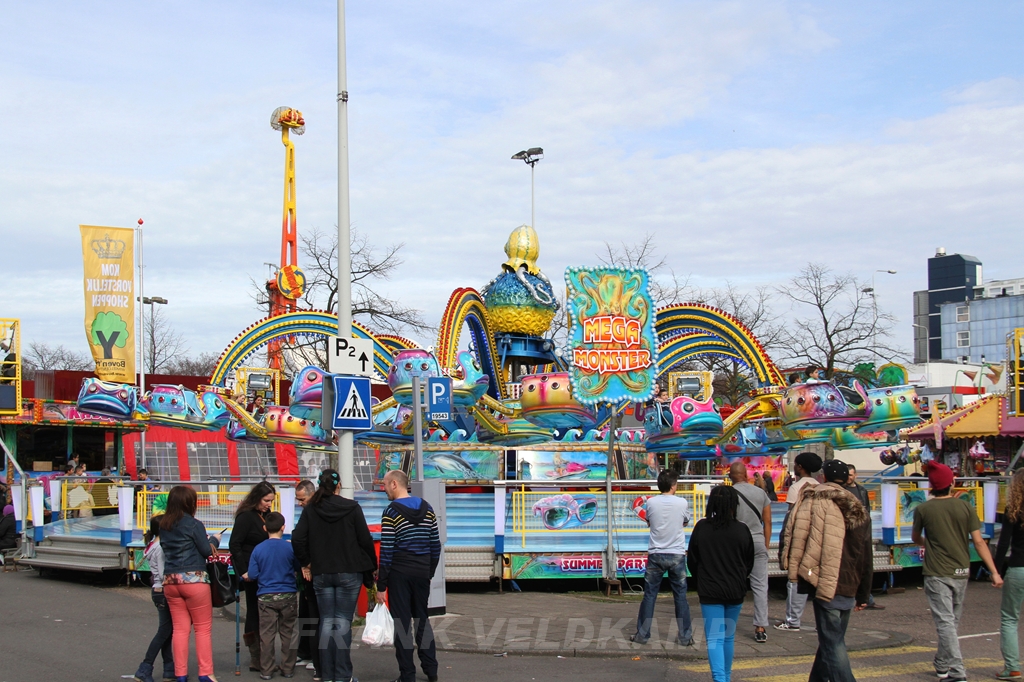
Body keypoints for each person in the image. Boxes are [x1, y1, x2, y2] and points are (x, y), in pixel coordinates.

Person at [912, 461, 1003, 682]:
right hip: (961, 571)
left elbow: (916, 538)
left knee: (945, 623)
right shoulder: (965, 507)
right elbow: (979, 542)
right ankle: (942, 664)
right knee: (951, 622)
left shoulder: (923, 509)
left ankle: (958, 672)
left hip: (936, 572)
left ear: (932, 486)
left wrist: (929, 542)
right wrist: (994, 571)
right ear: (952, 483)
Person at [783, 459, 871, 682]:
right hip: (848, 581)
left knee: (832, 643)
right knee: (832, 640)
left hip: (821, 579)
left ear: (823, 476)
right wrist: (864, 592)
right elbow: (865, 553)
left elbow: (793, 535)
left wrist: (794, 568)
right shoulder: (856, 505)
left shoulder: (811, 500)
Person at [292, 470, 376, 682]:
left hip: (321, 573)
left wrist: (307, 562)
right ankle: (343, 674)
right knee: (342, 622)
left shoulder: (311, 509)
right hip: (349, 572)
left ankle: (326, 674)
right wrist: (371, 570)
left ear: (320, 486)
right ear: (339, 486)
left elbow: (297, 538)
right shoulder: (352, 508)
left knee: (327, 622)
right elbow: (365, 540)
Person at [376, 469, 441, 682]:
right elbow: (435, 545)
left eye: (385, 485)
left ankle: (408, 675)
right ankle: (431, 670)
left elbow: (387, 550)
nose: (384, 489)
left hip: (399, 573)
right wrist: (429, 572)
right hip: (422, 572)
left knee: (402, 624)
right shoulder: (428, 508)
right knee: (422, 619)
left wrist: (381, 585)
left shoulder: (391, 512)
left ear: (395, 484)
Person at [687, 485, 754, 682]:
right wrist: (741, 578)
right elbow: (749, 561)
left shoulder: (702, 527)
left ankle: (720, 678)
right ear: (734, 504)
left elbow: (692, 560)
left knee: (715, 638)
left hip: (710, 590)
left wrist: (700, 581)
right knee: (728, 637)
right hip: (735, 589)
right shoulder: (742, 530)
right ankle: (725, 676)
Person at [159, 486, 221, 682]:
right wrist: (214, 540)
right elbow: (205, 550)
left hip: (170, 581)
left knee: (180, 629)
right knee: (202, 629)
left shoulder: (163, 525)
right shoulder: (194, 524)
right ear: (189, 503)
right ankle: (205, 673)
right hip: (195, 580)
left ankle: (181, 674)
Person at [630, 469, 693, 646]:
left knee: (650, 595)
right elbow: (685, 522)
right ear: (673, 485)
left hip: (656, 553)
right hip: (676, 554)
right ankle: (685, 636)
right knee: (680, 596)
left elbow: (649, 520)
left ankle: (642, 635)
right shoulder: (682, 503)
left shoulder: (651, 503)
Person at [245, 511, 301, 681]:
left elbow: (253, 574)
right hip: (288, 594)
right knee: (288, 633)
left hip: (266, 596)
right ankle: (288, 668)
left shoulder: (258, 549)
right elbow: (298, 567)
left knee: (267, 635)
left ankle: (267, 670)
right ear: (283, 527)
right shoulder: (290, 547)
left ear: (264, 528)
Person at [230, 481, 275, 672]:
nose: (269, 504)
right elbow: (235, 545)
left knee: (268, 613)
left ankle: (267, 654)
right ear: (257, 498)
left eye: (271, 501)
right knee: (254, 612)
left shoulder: (267, 516)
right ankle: (255, 655)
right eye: (266, 500)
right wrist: (243, 571)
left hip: (269, 571)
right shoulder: (246, 517)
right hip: (252, 571)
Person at [775, 452, 821, 633]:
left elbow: (791, 515)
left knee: (795, 579)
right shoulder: (820, 487)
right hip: (817, 535)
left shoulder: (796, 488)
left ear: (800, 467)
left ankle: (793, 620)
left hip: (800, 537)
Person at [729, 461, 772, 643]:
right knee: (760, 586)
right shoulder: (760, 493)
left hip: (737, 543)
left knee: (732, 583)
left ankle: (728, 623)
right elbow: (767, 521)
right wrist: (766, 544)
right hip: (757, 541)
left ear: (730, 476)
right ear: (746, 475)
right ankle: (760, 627)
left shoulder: (730, 494)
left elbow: (728, 521)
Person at [133, 515, 174, 682]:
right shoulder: (161, 548)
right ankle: (145, 667)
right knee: (164, 631)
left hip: (157, 590)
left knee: (167, 631)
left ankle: (169, 669)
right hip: (163, 590)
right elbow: (165, 572)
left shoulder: (151, 545)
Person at [996, 469, 1024, 681]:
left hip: (1018, 567)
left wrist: (996, 570)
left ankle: (1012, 667)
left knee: (1009, 619)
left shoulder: (1012, 510)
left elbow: (1003, 543)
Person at [292, 479, 321, 676]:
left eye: (302, 499)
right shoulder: (307, 512)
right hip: (306, 570)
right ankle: (304, 651)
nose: (299, 503)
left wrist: (306, 563)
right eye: (297, 499)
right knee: (305, 612)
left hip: (314, 569)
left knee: (314, 614)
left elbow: (298, 538)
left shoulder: (316, 512)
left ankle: (313, 653)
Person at [845, 464, 883, 611]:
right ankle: (860, 598)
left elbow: (866, 512)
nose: (849, 477)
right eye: (847, 475)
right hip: (849, 533)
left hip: (862, 533)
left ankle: (866, 599)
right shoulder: (842, 490)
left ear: (855, 475)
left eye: (851, 475)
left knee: (864, 567)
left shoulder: (861, 490)